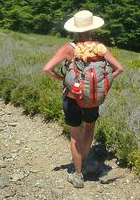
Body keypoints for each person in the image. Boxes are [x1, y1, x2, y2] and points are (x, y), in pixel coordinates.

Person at [42, 10, 124, 188]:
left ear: (74, 30)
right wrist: (105, 82)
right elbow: (119, 68)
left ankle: (77, 175)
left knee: (75, 135)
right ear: (93, 28)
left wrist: (63, 80)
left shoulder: (68, 48)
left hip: (72, 96)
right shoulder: (100, 48)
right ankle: (85, 163)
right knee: (89, 128)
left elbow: (47, 69)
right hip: (93, 97)